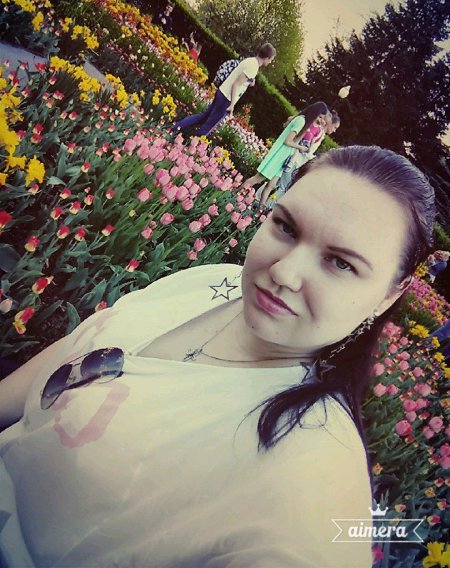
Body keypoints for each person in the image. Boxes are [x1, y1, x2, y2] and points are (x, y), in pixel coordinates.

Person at [0, 146, 435, 567]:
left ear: (389, 295)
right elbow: (79, 349)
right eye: (286, 227)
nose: (283, 272)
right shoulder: (219, 283)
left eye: (340, 263)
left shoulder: (312, 469)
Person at [172, 43, 276, 137]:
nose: (270, 62)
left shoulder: (250, 61)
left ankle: (175, 128)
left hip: (222, 92)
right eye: (271, 59)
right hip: (226, 99)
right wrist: (232, 105)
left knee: (203, 117)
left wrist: (250, 81)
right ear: (267, 58)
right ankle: (191, 146)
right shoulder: (253, 67)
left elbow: (239, 77)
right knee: (208, 127)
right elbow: (236, 84)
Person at [239, 102, 329, 202]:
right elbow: (288, 141)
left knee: (270, 185)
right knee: (257, 179)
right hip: (279, 154)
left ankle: (259, 207)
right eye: (320, 117)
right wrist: (301, 147)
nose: (320, 120)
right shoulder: (301, 121)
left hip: (283, 157)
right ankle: (236, 193)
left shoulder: (303, 121)